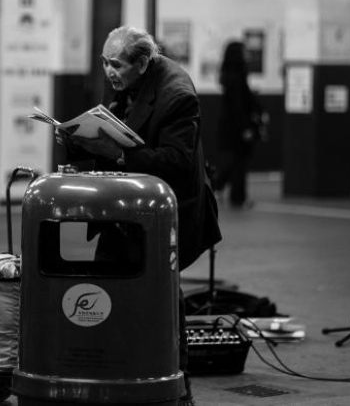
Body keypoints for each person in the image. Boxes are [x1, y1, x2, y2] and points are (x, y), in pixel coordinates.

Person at [57, 25, 221, 406]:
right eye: (104, 62)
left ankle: (178, 389)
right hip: (126, 208)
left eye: (116, 64)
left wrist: (114, 154)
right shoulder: (121, 80)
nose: (108, 71)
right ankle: (120, 372)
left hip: (173, 210)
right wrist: (76, 141)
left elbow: (177, 163)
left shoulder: (178, 95)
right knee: (121, 286)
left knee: (162, 295)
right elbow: (112, 130)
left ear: (143, 63)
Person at [213, 41, 264, 209]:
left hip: (229, 124)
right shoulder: (237, 75)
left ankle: (220, 186)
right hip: (237, 125)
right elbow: (238, 105)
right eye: (244, 51)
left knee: (235, 161)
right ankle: (237, 197)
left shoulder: (228, 74)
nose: (247, 54)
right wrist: (246, 128)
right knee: (239, 162)